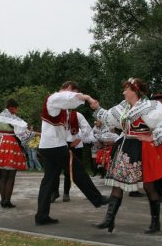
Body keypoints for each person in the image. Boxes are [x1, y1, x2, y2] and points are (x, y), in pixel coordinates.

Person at [90, 78, 162, 233]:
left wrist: (151, 137)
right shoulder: (123, 107)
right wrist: (96, 107)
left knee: (148, 185)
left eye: (126, 89)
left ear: (135, 91)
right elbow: (109, 117)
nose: (123, 92)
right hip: (124, 146)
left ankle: (156, 223)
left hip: (142, 148)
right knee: (117, 183)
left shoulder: (151, 107)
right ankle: (109, 220)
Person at [35, 81, 109, 226]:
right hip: (55, 147)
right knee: (78, 170)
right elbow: (68, 98)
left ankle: (41, 216)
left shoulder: (61, 107)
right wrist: (88, 98)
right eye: (75, 92)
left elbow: (69, 102)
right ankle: (97, 199)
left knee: (48, 181)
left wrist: (77, 139)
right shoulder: (53, 99)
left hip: (51, 146)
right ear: (69, 88)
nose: (76, 96)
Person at [0, 100, 35, 207]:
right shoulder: (15, 120)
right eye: (16, 108)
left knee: (2, 176)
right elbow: (23, 135)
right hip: (11, 144)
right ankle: (7, 200)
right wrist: (33, 134)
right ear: (12, 108)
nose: (16, 110)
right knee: (11, 176)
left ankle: (2, 200)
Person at [52, 110, 93, 203]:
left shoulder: (76, 115)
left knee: (69, 171)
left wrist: (79, 139)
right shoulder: (54, 116)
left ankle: (66, 193)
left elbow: (87, 128)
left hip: (73, 145)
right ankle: (55, 192)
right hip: (58, 144)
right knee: (55, 170)